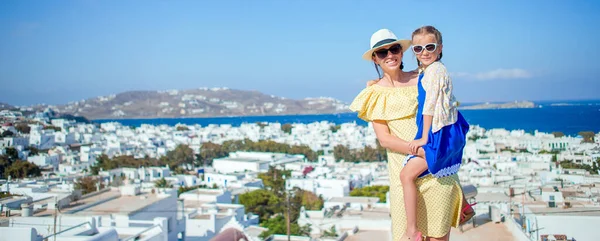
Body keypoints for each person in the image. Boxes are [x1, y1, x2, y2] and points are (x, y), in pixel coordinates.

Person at [349, 28, 468, 241]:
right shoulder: (374, 93)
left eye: (394, 49)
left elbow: (445, 110)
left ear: (403, 52)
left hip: (435, 173)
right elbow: (385, 139)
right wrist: (423, 151)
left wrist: (431, 153)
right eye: (382, 52)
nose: (390, 55)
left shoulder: (424, 76)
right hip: (405, 176)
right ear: (375, 59)